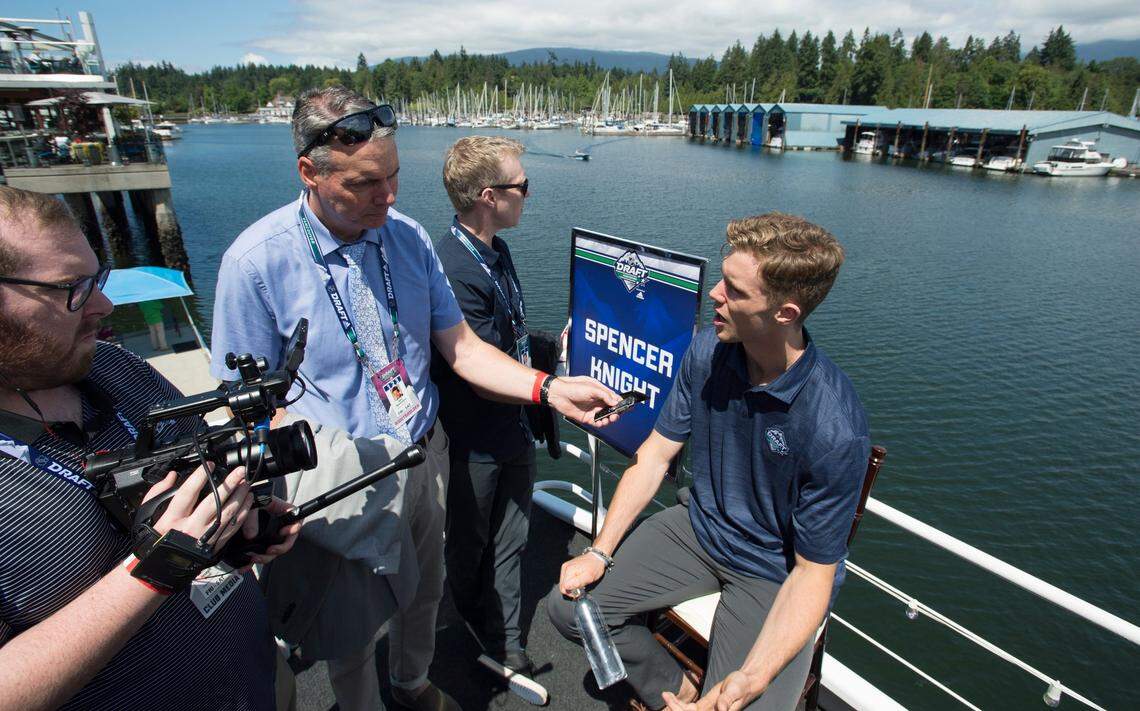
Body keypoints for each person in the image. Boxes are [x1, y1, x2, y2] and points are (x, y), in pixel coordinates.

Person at [209, 86, 619, 711]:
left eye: (395, 176)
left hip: (425, 452)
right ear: (310, 173)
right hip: (335, 478)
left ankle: (411, 684)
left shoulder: (408, 238)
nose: (390, 196)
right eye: (367, 183)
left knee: (425, 592)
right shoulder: (255, 264)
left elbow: (462, 349)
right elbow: (242, 404)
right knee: (347, 629)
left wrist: (550, 388)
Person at [547, 213, 870, 711]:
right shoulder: (706, 350)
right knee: (571, 612)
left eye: (735, 292)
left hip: (773, 570)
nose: (715, 294)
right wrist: (600, 552)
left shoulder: (833, 424)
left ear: (785, 312)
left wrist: (751, 680)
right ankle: (674, 690)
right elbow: (654, 456)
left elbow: (812, 574)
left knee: (745, 702)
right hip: (697, 529)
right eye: (722, 279)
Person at [0, 185, 300, 710]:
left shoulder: (114, 368)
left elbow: (199, 463)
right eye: (71, 288)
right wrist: (152, 573)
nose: (102, 305)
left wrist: (232, 528)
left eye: (97, 278)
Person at [432, 136, 536, 674]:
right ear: (489, 197)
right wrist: (549, 387)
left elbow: (503, 338)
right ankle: (469, 618)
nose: (529, 194)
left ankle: (502, 634)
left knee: (512, 538)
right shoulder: (455, 268)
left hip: (511, 429)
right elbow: (480, 372)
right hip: (475, 440)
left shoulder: (495, 250)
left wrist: (545, 347)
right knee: (471, 543)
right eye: (523, 186)